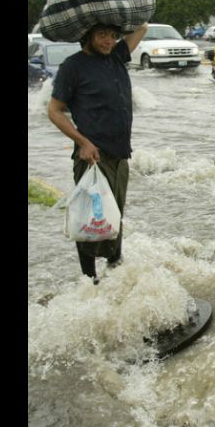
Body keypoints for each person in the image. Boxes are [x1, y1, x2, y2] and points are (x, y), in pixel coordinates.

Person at [48, 22, 148, 284]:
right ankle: (88, 281)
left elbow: (142, 28)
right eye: (102, 34)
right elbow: (54, 111)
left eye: (112, 35)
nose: (108, 40)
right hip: (92, 157)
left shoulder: (116, 56)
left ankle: (115, 272)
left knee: (114, 217)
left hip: (119, 155)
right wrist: (82, 142)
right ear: (87, 37)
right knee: (89, 220)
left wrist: (125, 17)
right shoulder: (73, 66)